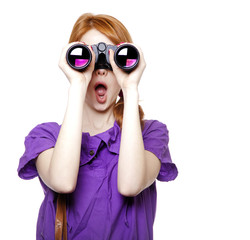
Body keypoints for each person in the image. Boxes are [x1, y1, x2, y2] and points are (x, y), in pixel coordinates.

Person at [17, 13, 178, 240]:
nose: (101, 69)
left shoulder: (149, 134)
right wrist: (78, 83)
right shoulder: (46, 137)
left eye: (112, 59)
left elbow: (131, 185)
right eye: (89, 57)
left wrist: (130, 88)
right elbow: (62, 181)